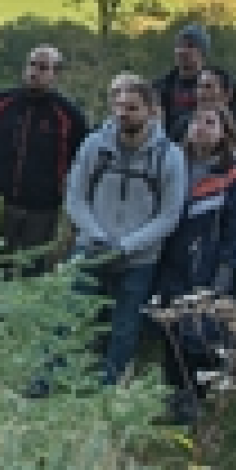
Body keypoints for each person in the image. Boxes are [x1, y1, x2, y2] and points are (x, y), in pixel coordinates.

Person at [64, 72, 189, 387]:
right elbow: (75, 197)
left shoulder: (169, 156)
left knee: (125, 327)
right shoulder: (94, 145)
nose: (123, 114)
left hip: (138, 258)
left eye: (132, 108)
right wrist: (98, 236)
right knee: (67, 316)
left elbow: (169, 215)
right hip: (91, 248)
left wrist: (126, 246)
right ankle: (51, 378)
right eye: (119, 107)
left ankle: (111, 389)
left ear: (151, 110)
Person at [153, 104, 236, 424]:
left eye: (210, 122)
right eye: (197, 121)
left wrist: (226, 270)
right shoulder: (174, 162)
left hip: (209, 263)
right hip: (172, 257)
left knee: (200, 334)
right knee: (170, 327)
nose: (201, 127)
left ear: (225, 131)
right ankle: (172, 394)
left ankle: (194, 400)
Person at [0, 45, 90, 274]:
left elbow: (80, 161)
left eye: (43, 67)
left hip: (43, 208)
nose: (34, 72)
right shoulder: (1, 103)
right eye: (31, 65)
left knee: (35, 270)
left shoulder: (69, 115)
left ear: (55, 74)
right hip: (2, 202)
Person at [182, 66, 236, 173]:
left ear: (227, 94)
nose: (200, 92)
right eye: (199, 87)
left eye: (208, 87)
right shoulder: (183, 123)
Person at [154, 23, 211, 135]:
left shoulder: (215, 85)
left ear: (202, 52)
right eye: (179, 46)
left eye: (190, 46)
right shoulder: (161, 85)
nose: (182, 51)